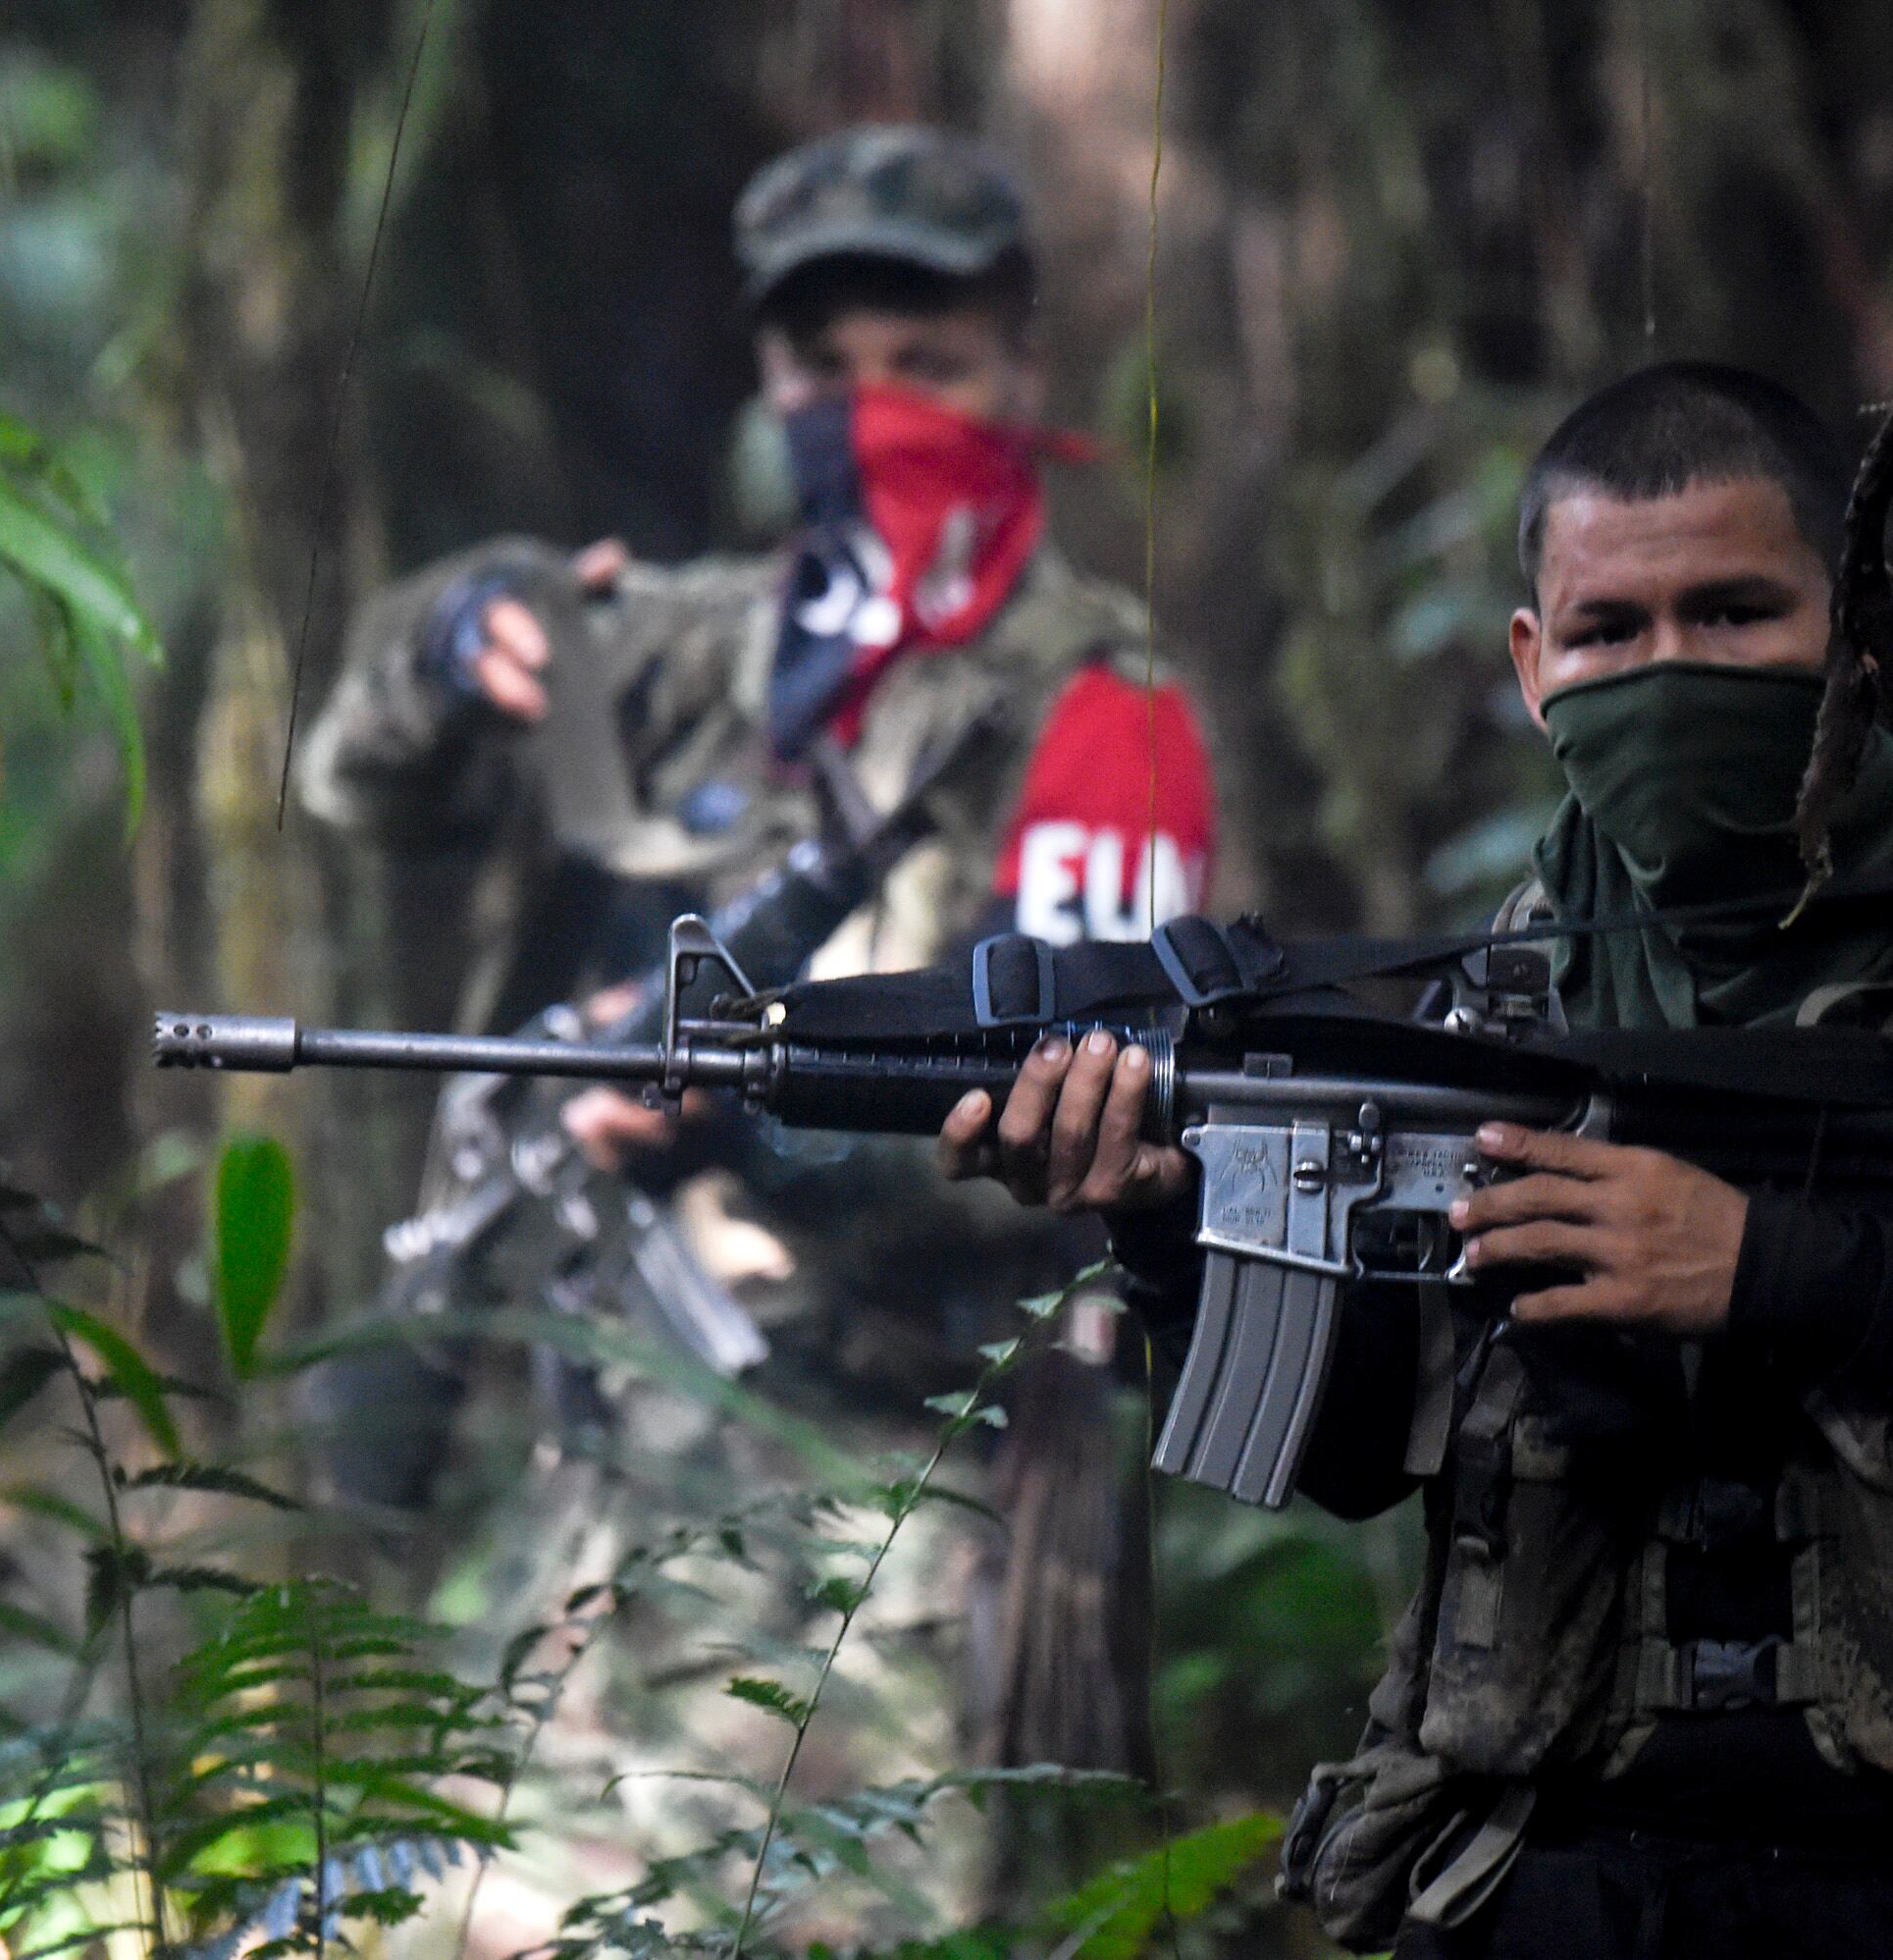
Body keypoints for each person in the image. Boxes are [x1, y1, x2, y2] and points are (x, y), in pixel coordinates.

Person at [939, 361, 1893, 1956]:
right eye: (1609, 633)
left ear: (1857, 627)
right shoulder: (1483, 1006)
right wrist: (1169, 1233)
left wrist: (1765, 1269)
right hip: (1544, 1877)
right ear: (1532, 661)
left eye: (1732, 615)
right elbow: (1362, 1447)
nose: (1669, 673)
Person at [299, 124, 1211, 1776]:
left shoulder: (1100, 705)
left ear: (1022, 365)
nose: (867, 405)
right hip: (584, 1487)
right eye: (821, 362)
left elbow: (1108, 1131)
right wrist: (452, 632)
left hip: (894, 1531)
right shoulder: (695, 642)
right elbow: (361, 779)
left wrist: (755, 1128)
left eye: (924, 359)